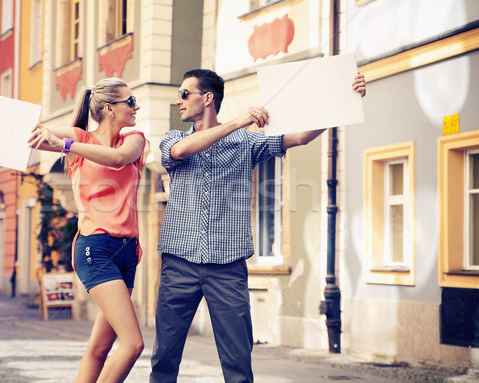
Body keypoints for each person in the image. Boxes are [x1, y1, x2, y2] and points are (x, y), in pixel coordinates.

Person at [0, 78, 149, 383]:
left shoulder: (133, 138)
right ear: (109, 108)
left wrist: (65, 146)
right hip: (95, 248)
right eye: (131, 101)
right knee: (133, 344)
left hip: (127, 253)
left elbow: (120, 159)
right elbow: (17, 133)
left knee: (100, 347)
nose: (137, 106)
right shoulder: (78, 136)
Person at [150, 69, 366, 383]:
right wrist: (237, 121)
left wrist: (345, 99)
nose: (178, 100)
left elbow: (300, 137)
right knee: (165, 357)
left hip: (228, 266)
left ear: (207, 98)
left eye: (185, 93)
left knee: (238, 359)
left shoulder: (247, 143)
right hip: (179, 263)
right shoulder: (175, 139)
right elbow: (182, 152)